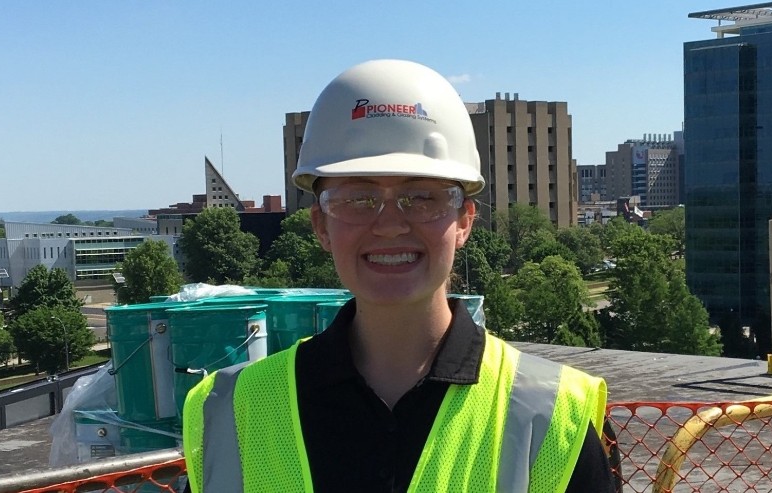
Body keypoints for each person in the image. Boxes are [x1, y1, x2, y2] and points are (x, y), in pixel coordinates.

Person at [182, 59, 617, 492]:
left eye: (421, 197)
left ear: (465, 221)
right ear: (320, 226)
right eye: (358, 198)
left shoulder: (550, 415)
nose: (390, 224)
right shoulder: (231, 412)